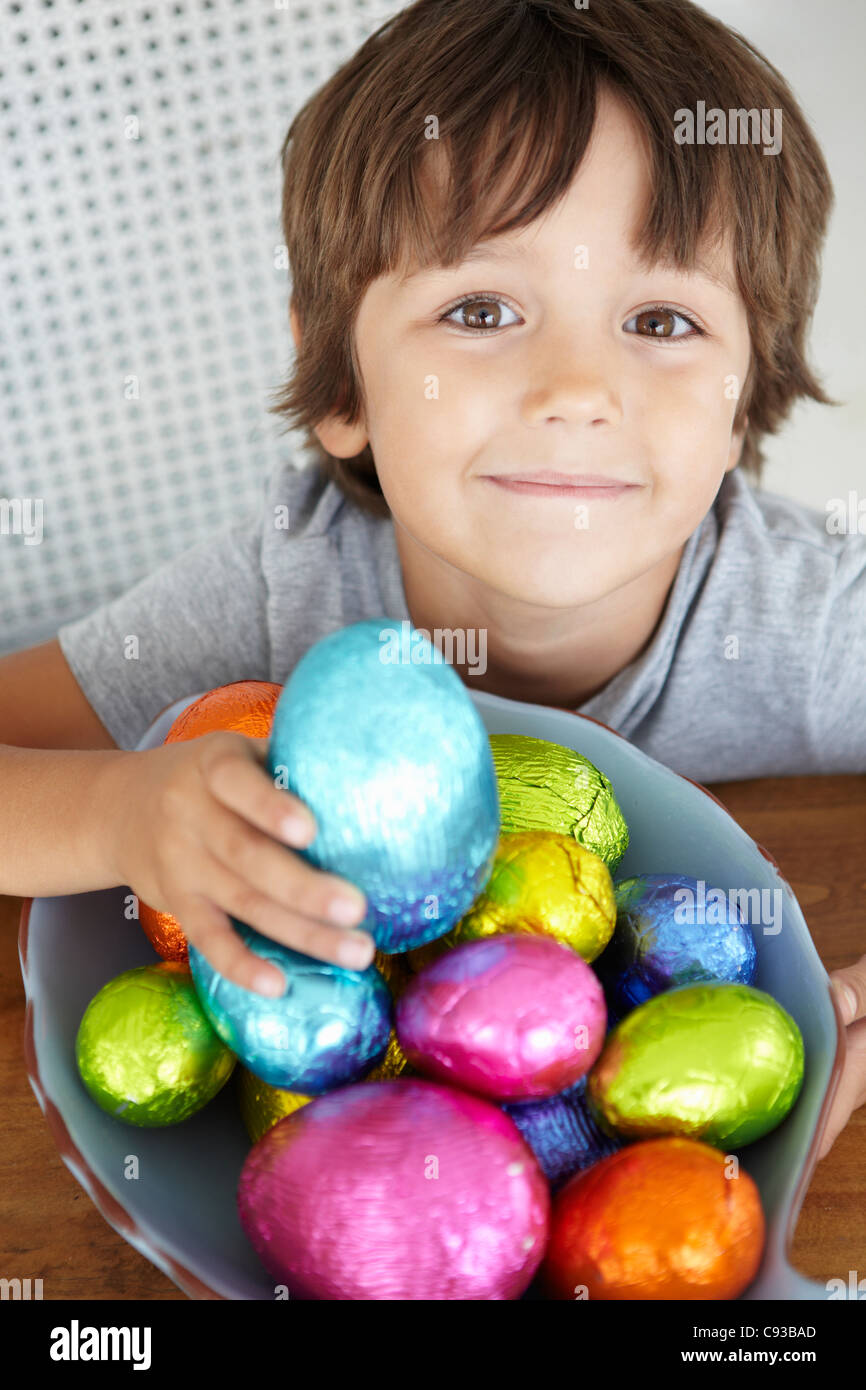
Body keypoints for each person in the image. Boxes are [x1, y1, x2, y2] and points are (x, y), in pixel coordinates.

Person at [1, 0, 863, 1155]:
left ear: (744, 393)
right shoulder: (282, 587)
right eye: (480, 308)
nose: (575, 388)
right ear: (341, 385)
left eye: (659, 319)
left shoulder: (803, 619)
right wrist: (118, 815)